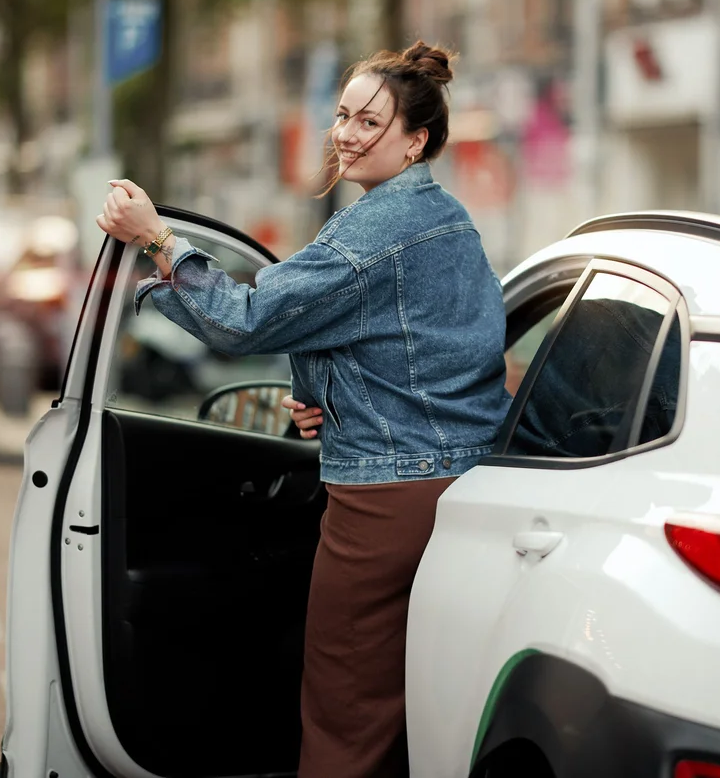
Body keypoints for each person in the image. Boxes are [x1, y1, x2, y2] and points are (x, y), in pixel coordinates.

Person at [95, 41, 511, 778]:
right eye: (343, 115)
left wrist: (156, 238)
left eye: (370, 122)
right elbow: (430, 349)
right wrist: (327, 395)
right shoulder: (448, 219)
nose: (346, 134)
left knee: (343, 703)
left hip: (382, 500)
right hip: (464, 484)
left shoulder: (374, 228)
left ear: (416, 140)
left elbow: (244, 321)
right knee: (417, 702)